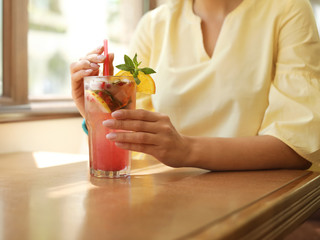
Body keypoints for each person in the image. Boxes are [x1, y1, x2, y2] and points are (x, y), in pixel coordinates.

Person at [70, 0, 320, 171]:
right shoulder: (153, 25)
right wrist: (97, 113)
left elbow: (296, 145)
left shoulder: (287, 9)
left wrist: (187, 150)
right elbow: (136, 141)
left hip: (261, 200)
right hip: (170, 198)